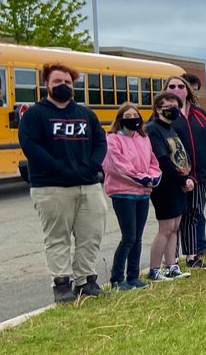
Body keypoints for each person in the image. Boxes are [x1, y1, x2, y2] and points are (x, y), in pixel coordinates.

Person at [19, 63, 109, 302]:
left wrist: (92, 166)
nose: (63, 86)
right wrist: (60, 169)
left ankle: (86, 281)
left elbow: (101, 142)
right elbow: (32, 147)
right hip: (51, 186)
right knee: (57, 237)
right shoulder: (34, 115)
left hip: (88, 185)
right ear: (46, 84)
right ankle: (61, 284)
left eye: (68, 82)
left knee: (90, 235)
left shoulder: (86, 114)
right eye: (57, 82)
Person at [165, 74, 206, 270]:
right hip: (174, 178)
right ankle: (171, 261)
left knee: (193, 214)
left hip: (199, 176)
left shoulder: (200, 114)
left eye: (180, 86)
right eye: (171, 86)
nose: (176, 89)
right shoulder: (164, 116)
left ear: (187, 89)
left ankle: (192, 256)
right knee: (173, 219)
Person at [103, 103, 160, 291]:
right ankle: (117, 279)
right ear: (120, 118)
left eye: (135, 115)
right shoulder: (112, 139)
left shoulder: (143, 138)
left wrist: (152, 177)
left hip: (142, 194)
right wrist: (141, 178)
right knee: (128, 236)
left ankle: (133, 276)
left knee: (138, 237)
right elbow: (117, 165)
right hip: (123, 193)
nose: (132, 118)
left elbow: (153, 161)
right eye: (128, 115)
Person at [145, 93, 194, 282]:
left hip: (180, 183)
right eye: (168, 105)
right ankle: (154, 269)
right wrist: (181, 180)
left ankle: (172, 265)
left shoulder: (172, 129)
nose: (173, 108)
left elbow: (183, 155)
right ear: (158, 108)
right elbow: (162, 160)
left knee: (175, 227)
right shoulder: (153, 129)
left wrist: (188, 177)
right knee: (165, 228)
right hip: (165, 185)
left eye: (176, 105)